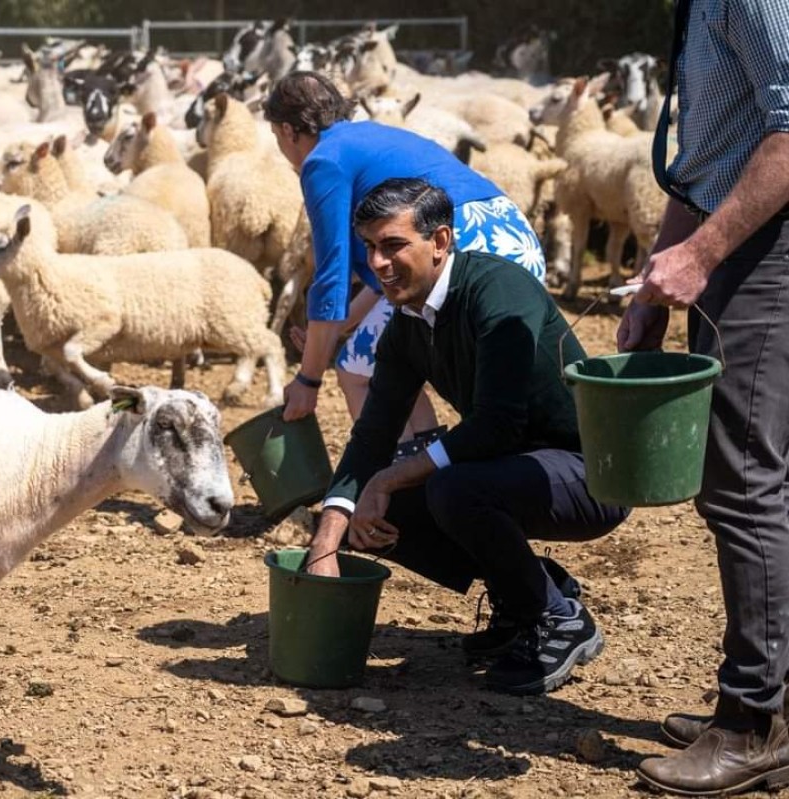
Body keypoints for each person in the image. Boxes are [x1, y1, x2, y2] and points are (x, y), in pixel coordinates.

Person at [305, 178, 630, 695]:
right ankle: (526, 589)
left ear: (439, 242)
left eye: (393, 245)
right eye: (370, 248)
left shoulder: (498, 291)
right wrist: (325, 545)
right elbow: (372, 436)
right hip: (514, 465)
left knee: (450, 490)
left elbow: (498, 423)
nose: (379, 263)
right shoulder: (409, 322)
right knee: (366, 506)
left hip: (592, 473)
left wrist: (391, 477)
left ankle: (557, 618)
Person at [622, 0, 789, 794]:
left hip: (768, 251)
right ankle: (774, 697)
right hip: (737, 244)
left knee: (744, 485)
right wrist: (658, 277)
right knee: (762, 482)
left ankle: (752, 722)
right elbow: (708, 158)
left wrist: (705, 254)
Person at [264, 72, 546, 425]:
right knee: (400, 359)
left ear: (288, 131)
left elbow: (331, 274)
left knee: (358, 370)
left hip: (458, 245)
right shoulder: (371, 136)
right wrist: (339, 326)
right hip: (511, 235)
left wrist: (308, 379)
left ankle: (401, 475)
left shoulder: (323, 161)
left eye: (276, 135)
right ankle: (425, 464)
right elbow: (392, 267)